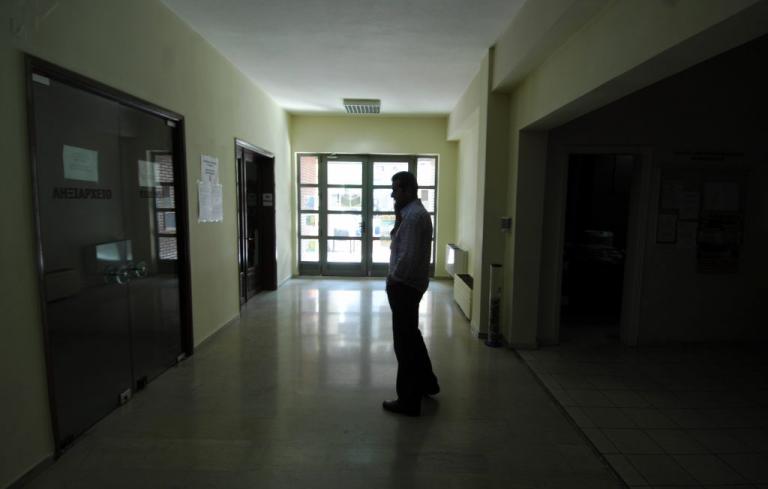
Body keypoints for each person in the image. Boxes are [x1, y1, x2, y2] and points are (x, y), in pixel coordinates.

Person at [382, 171, 439, 417]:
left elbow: (408, 257)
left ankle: (408, 401)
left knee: (404, 345)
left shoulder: (414, 217)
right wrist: (397, 219)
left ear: (407, 190)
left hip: (405, 286)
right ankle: (428, 383)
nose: (392, 194)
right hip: (408, 285)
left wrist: (393, 280)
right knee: (412, 337)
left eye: (395, 190)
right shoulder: (409, 214)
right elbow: (398, 243)